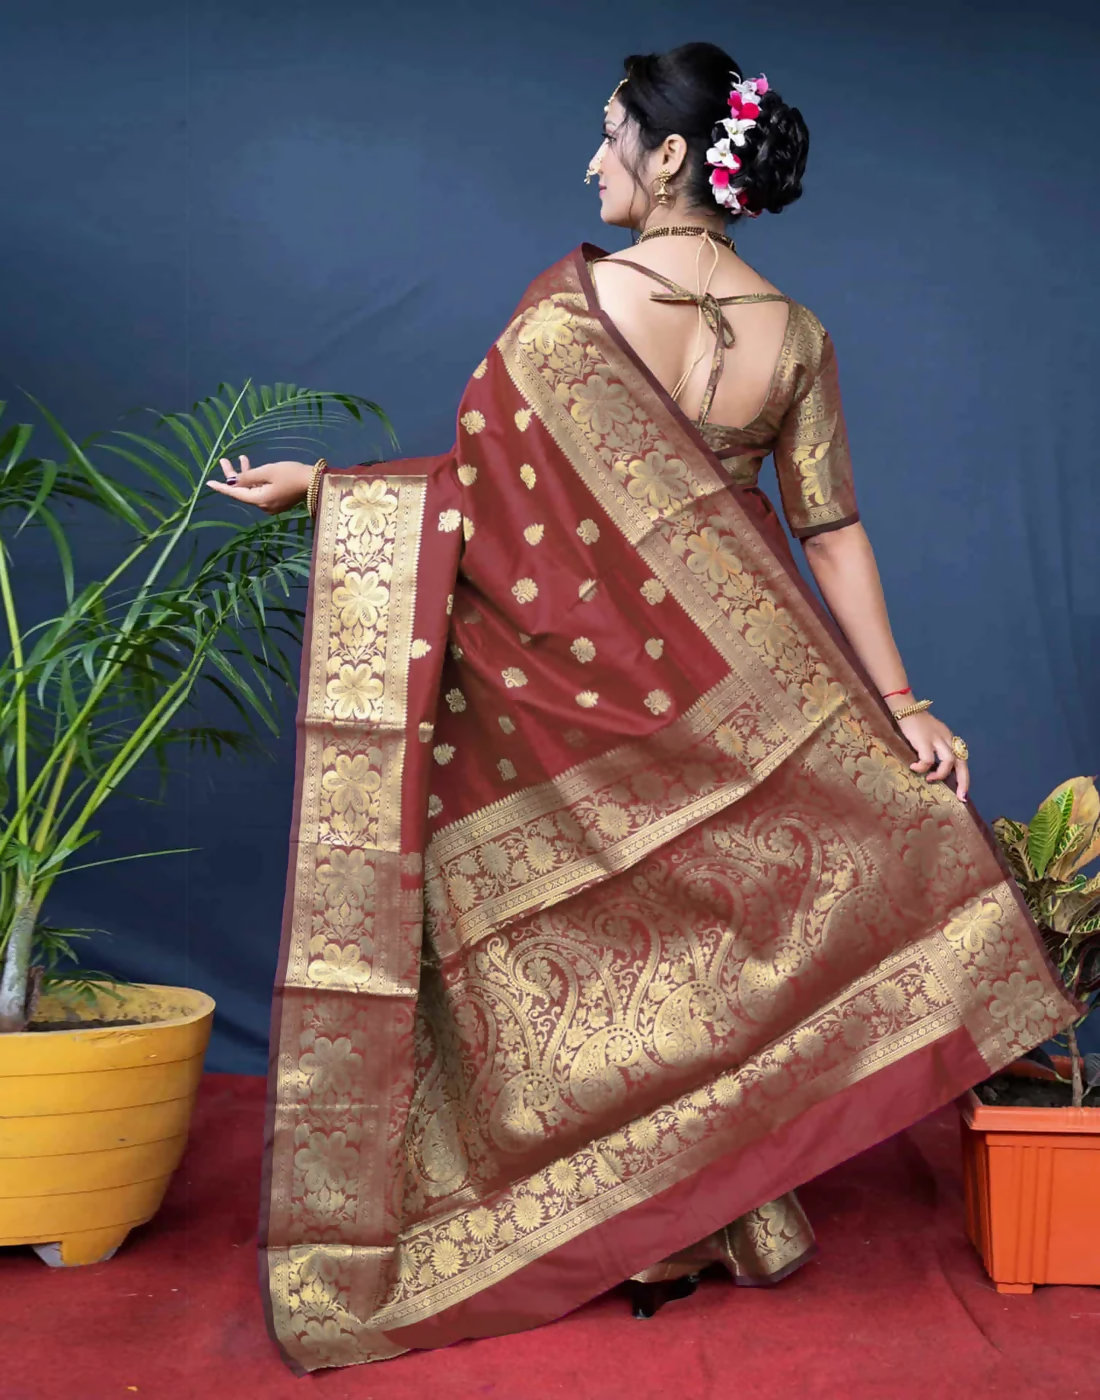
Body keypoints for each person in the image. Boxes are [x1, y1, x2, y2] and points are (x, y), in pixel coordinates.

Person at [209, 42, 1074, 1375]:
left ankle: (635, 1217)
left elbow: (478, 505)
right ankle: (718, 1210)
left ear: (670, 157)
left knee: (606, 949)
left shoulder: (570, 317)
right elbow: (831, 530)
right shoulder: (798, 334)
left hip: (581, 687)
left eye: (609, 136)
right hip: (746, 688)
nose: (591, 164)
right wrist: (900, 703)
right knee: (718, 944)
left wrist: (329, 489)